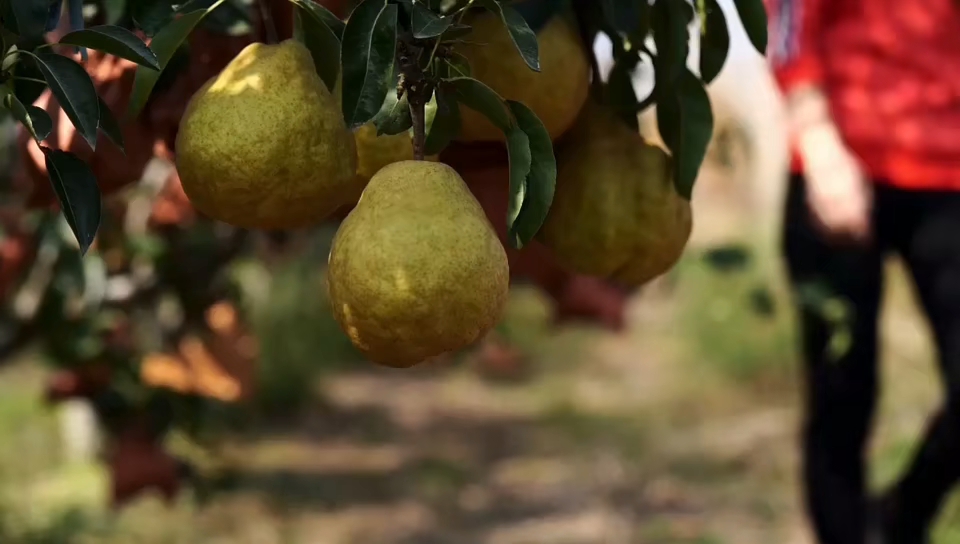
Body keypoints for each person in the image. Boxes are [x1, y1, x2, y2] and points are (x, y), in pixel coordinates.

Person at [765, 0, 960, 542]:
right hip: (838, 167)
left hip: (947, 176)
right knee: (841, 397)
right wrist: (818, 139)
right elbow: (786, 21)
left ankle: (901, 519)